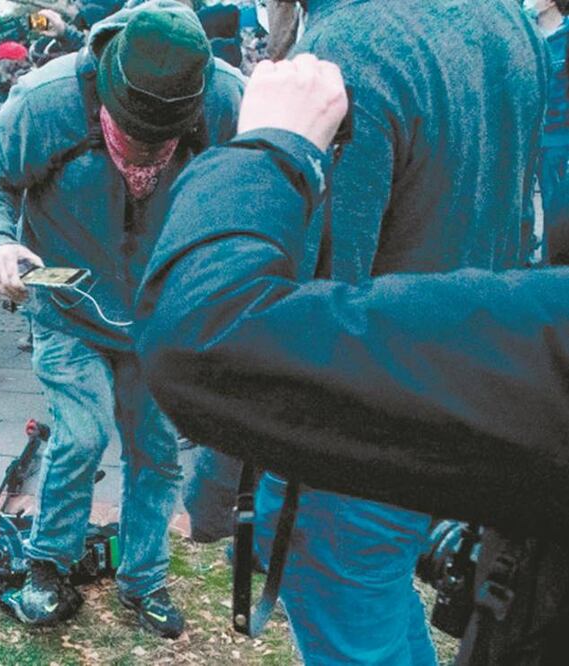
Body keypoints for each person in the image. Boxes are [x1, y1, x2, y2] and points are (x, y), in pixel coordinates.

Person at [136, 52, 569, 665]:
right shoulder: (508, 27)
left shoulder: (345, 55)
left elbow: (216, 334)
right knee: (380, 605)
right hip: (458, 402)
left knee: (357, 614)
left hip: (356, 419)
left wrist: (270, 145)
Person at [0, 0, 244, 638]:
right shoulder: (46, 99)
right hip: (69, 306)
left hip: (162, 313)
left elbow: (265, 180)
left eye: (162, 142)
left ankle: (143, 579)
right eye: (134, 136)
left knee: (158, 450)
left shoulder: (228, 98)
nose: (147, 155)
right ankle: (47, 564)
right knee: (82, 435)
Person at [527, 0, 569, 264]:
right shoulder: (524, 33)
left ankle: (554, 265)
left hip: (558, 139)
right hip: (527, 138)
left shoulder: (565, 37)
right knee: (519, 205)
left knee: (555, 207)